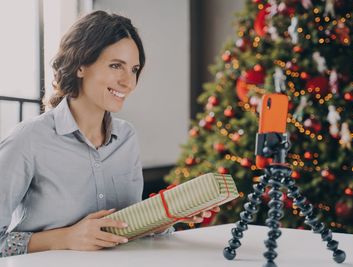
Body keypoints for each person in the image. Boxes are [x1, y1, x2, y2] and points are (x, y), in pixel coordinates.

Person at [0, 10, 217, 257]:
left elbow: (127, 228)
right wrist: (64, 238)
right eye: (116, 66)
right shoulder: (27, 140)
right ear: (80, 65)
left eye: (134, 69)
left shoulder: (127, 137)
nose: (129, 82)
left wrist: (170, 217)